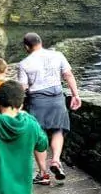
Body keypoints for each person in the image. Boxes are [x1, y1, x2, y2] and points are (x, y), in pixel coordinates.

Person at [17, 32, 81, 185]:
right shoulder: (57, 55)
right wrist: (75, 95)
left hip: (37, 100)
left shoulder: (24, 63)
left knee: (39, 136)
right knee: (58, 130)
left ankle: (43, 174)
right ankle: (56, 161)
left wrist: (17, 108)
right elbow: (68, 75)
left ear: (26, 47)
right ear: (41, 41)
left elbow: (23, 88)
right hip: (57, 97)